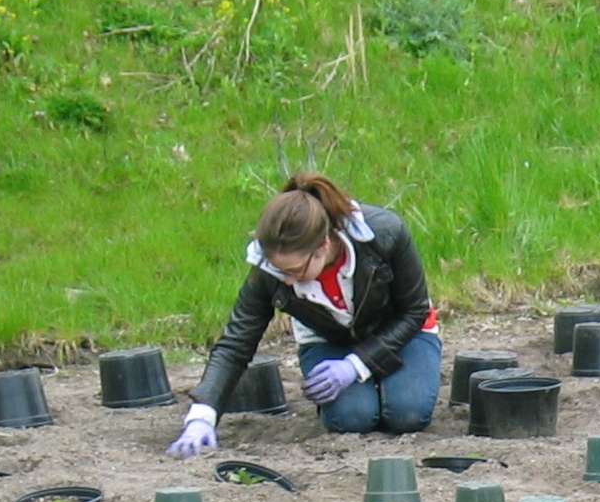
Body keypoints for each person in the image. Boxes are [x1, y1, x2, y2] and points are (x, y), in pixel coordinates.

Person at [168, 173, 442, 456]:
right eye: (281, 271)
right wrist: (202, 414)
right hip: (331, 342)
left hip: (404, 332)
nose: (287, 280)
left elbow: (414, 311)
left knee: (407, 414)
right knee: (352, 418)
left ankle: (387, 382)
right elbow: (237, 343)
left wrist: (355, 365)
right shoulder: (270, 271)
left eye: (295, 270)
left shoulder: (386, 233)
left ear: (323, 246)